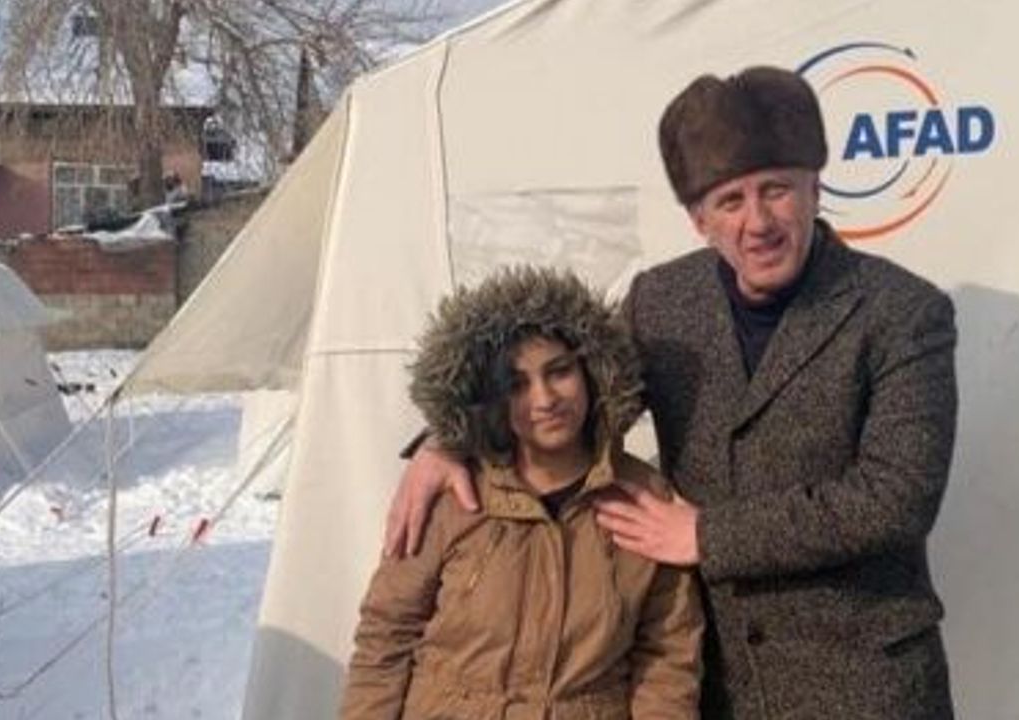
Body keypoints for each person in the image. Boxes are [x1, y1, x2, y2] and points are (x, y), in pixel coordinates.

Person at [385, 66, 959, 719]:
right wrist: (448, 441)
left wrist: (707, 535)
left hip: (863, 683)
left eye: (776, 190)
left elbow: (896, 498)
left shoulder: (903, 312)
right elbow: (573, 399)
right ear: (698, 219)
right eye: (730, 201)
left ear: (815, 188)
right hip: (711, 681)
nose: (758, 221)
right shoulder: (661, 300)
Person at [342, 267, 703, 719]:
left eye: (559, 371)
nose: (545, 399)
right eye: (516, 385)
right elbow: (386, 638)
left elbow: (668, 654)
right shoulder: (452, 492)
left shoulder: (643, 496)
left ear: (592, 372)